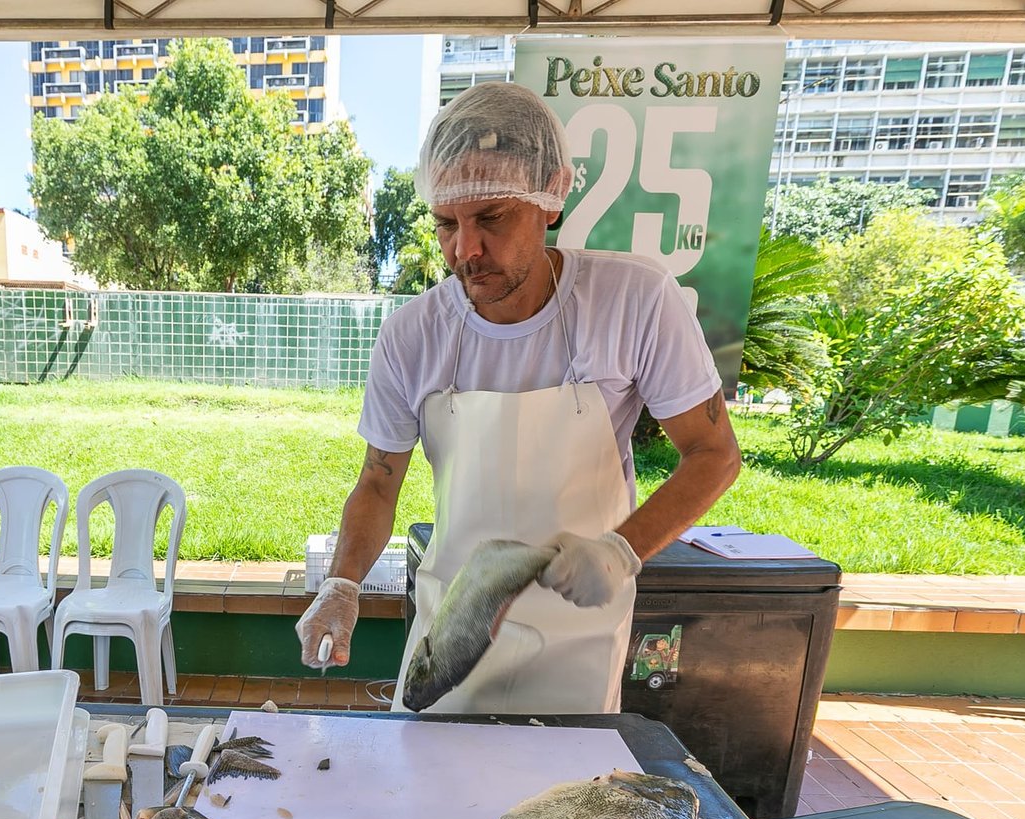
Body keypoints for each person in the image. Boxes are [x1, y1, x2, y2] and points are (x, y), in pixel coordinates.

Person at [295, 81, 741, 716]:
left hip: (578, 641)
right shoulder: (413, 333)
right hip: (451, 644)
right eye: (446, 224)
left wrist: (621, 549)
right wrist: (342, 582)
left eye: (491, 219)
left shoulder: (634, 301)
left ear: (551, 198)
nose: (464, 250)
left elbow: (713, 454)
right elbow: (377, 482)